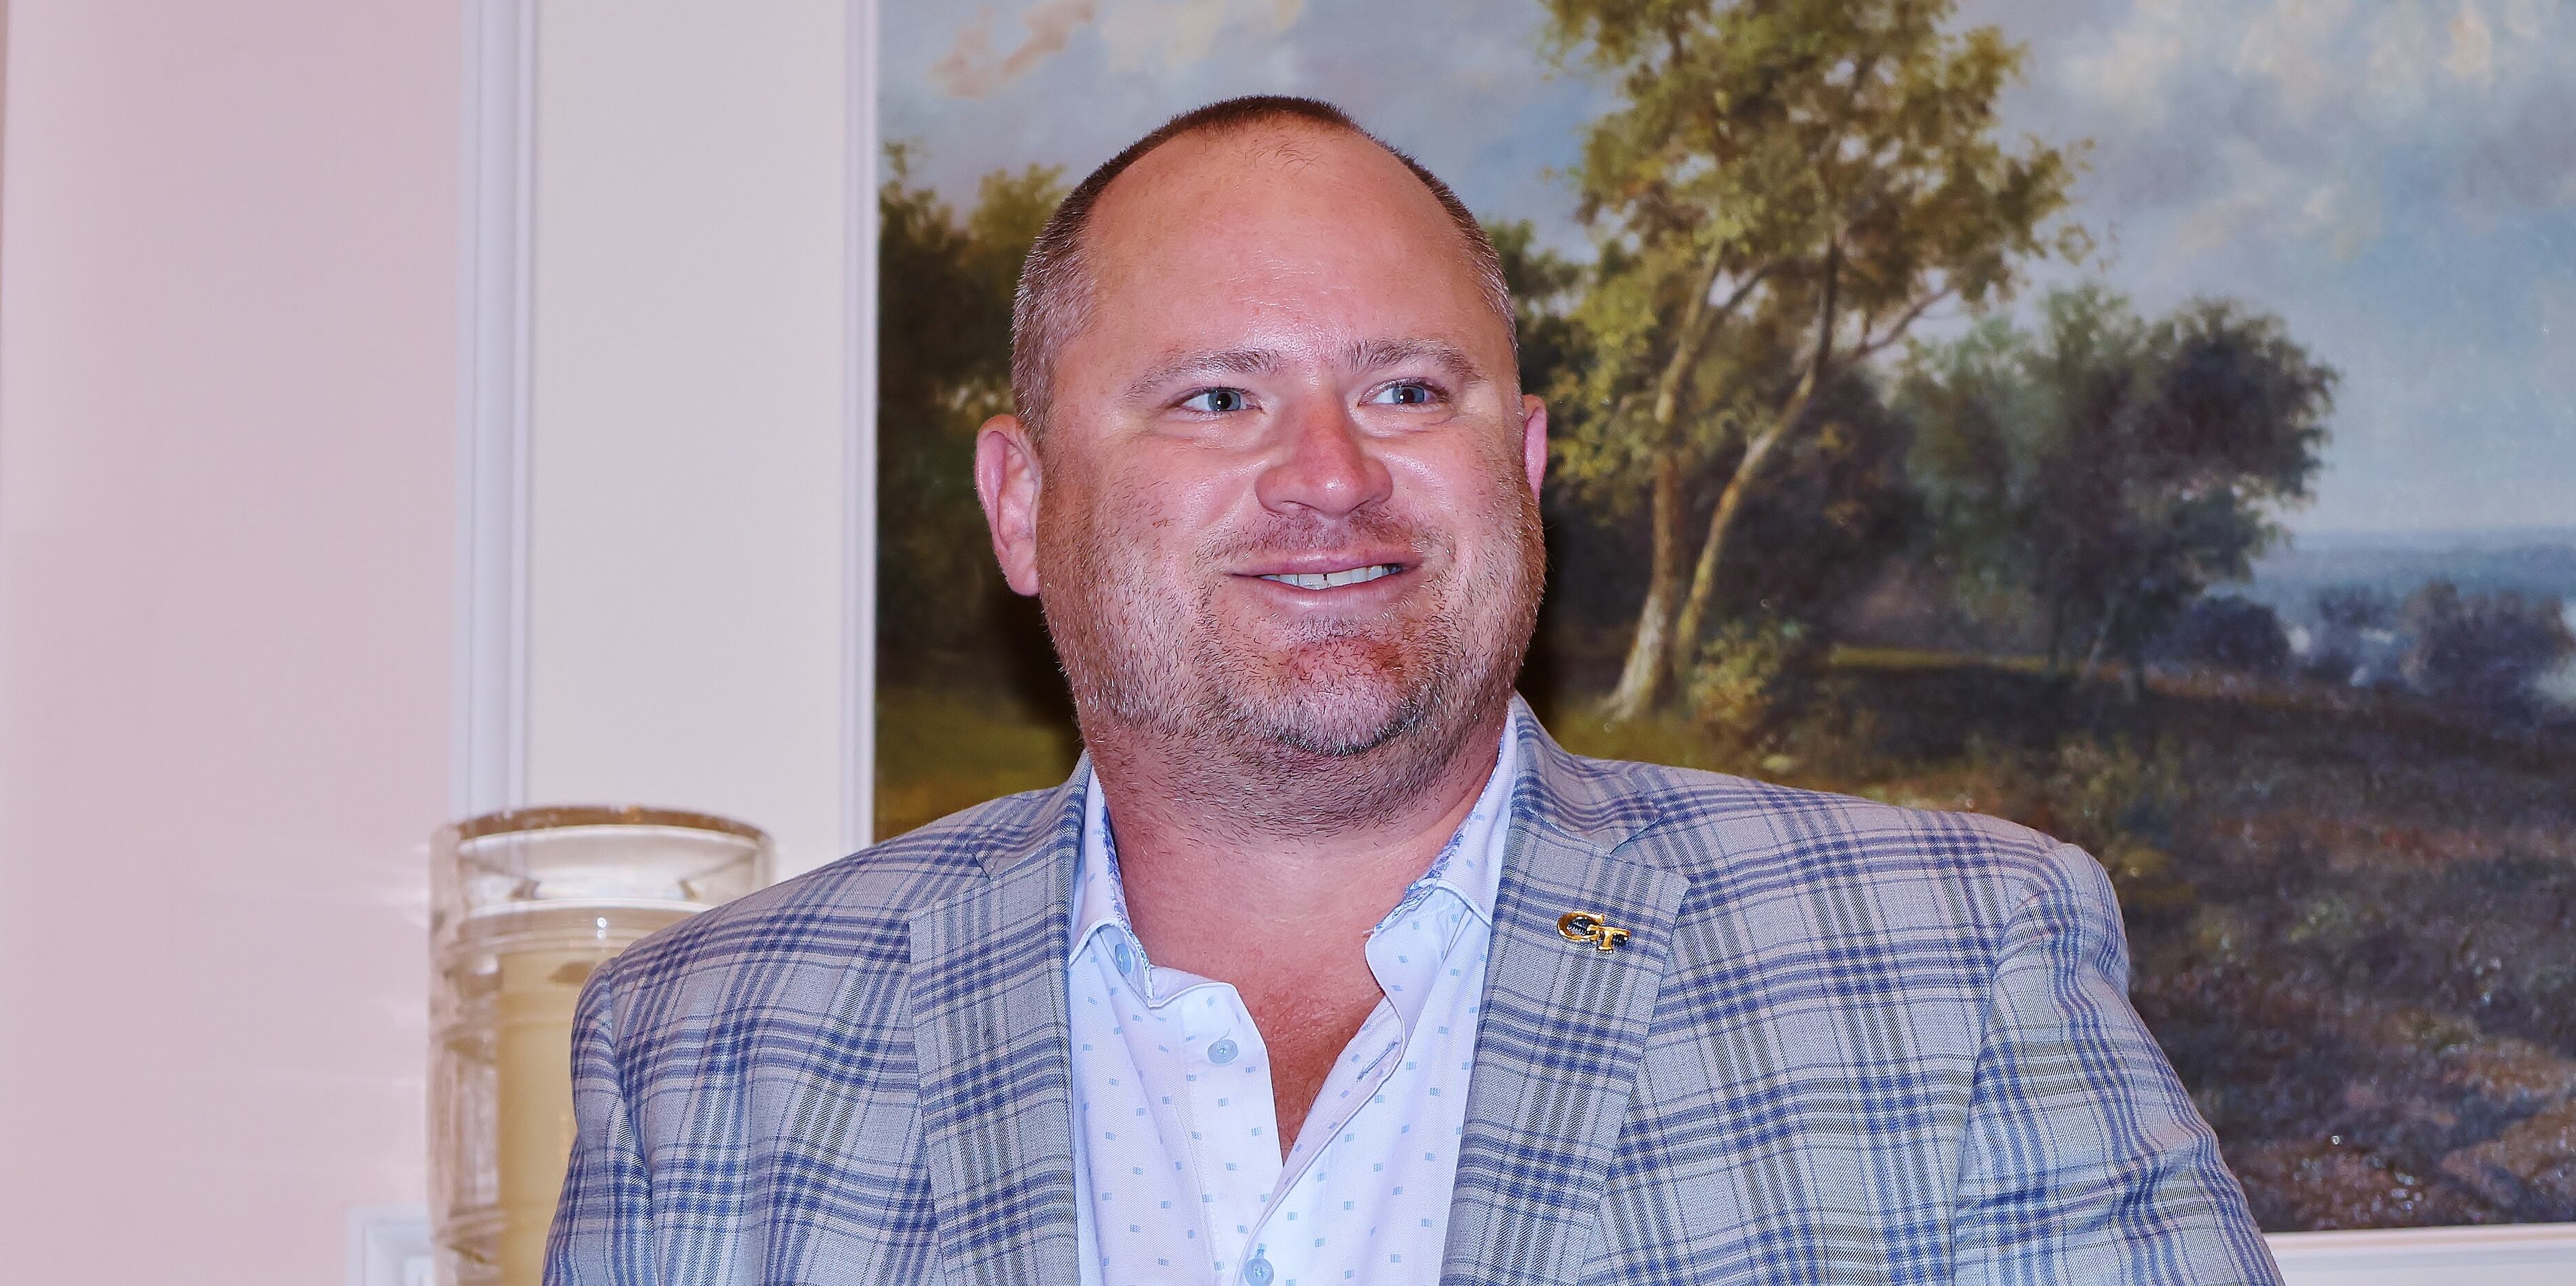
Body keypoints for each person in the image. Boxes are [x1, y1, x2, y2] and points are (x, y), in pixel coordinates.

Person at [547, 97, 2279, 1285]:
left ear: (1518, 465)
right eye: (1218, 398)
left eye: (1405, 391)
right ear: (1022, 503)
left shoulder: (1948, 970)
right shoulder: (711, 1058)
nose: (1329, 475)